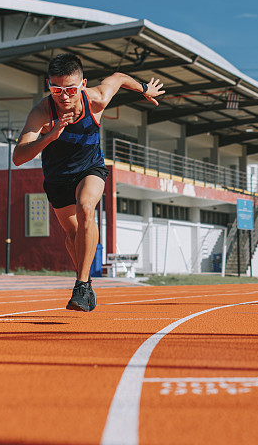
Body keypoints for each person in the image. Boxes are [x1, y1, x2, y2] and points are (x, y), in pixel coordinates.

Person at [12, 53, 164, 312]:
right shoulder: (41, 112)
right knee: (72, 236)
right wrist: (51, 136)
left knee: (85, 209)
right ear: (49, 85)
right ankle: (88, 284)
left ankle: (81, 285)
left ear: (83, 84)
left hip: (90, 168)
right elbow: (18, 157)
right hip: (57, 178)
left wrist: (144, 89)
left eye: (71, 89)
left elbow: (117, 78)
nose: (64, 96)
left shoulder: (97, 100)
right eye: (56, 89)